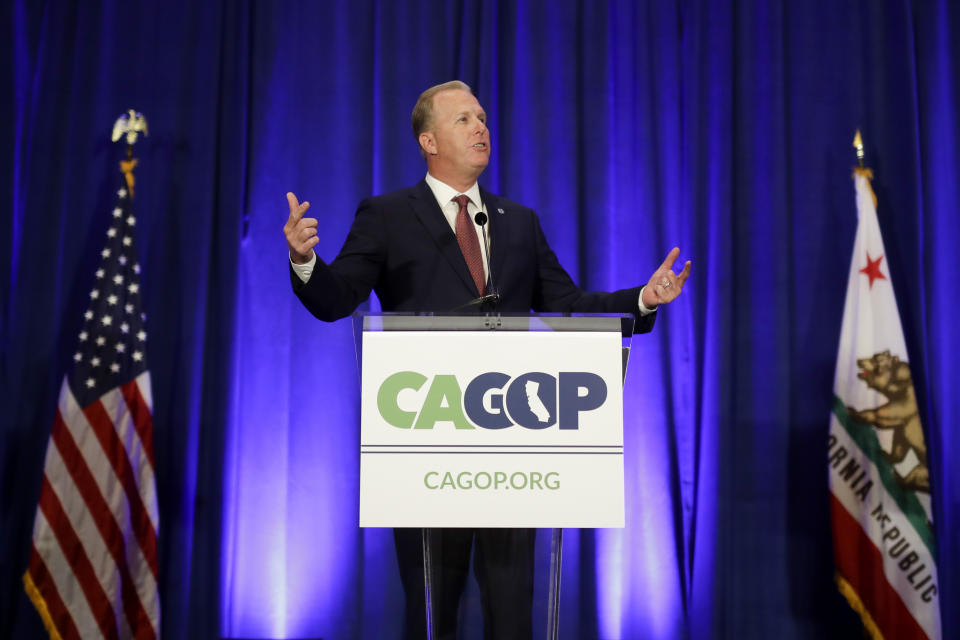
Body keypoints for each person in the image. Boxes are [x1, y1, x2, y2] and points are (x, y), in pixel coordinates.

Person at [283, 80, 690, 640]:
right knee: (432, 616)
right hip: (426, 444)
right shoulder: (386, 216)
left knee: (511, 615)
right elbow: (336, 299)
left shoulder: (516, 220)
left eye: (482, 118)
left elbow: (567, 305)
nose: (481, 128)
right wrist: (305, 260)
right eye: (463, 120)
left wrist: (643, 299)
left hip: (511, 449)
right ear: (428, 140)